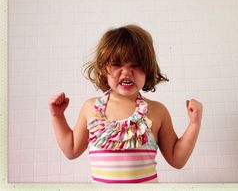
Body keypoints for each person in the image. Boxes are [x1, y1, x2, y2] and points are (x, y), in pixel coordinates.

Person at [49, 24, 203, 183]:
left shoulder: (157, 111)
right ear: (103, 68)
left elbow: (177, 159)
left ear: (148, 69)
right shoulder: (91, 108)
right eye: (117, 64)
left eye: (136, 65)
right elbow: (71, 149)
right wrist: (57, 116)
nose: (127, 72)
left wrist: (194, 123)